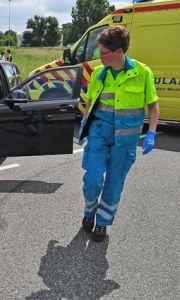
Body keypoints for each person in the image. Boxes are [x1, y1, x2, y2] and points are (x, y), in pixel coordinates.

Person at [78, 26, 159, 242]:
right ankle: (89, 212)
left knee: (114, 184)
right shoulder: (98, 73)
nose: (99, 57)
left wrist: (151, 133)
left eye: (103, 53)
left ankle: (102, 223)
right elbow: (89, 102)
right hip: (99, 133)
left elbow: (153, 106)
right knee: (93, 180)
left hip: (125, 140)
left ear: (119, 51)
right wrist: (84, 126)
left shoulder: (142, 73)